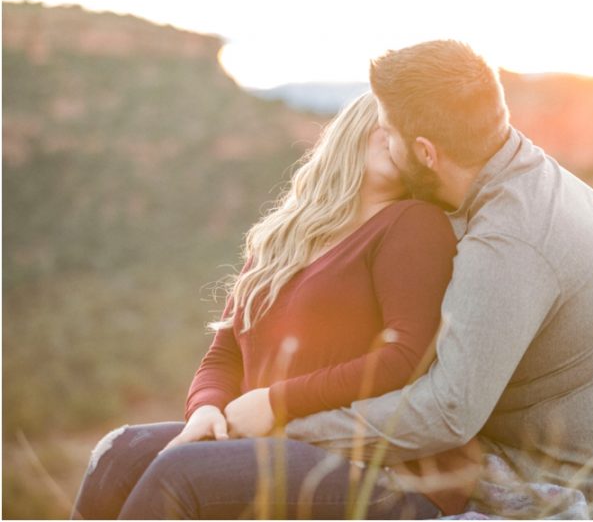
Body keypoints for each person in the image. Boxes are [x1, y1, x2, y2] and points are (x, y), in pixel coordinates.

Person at [283, 40, 593, 519]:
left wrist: (288, 430)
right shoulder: (526, 174)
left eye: (387, 131)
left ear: (425, 151)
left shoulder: (509, 239)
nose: (383, 141)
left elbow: (447, 415)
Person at [71, 92, 479, 519]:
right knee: (118, 453)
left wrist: (275, 402)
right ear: (355, 124)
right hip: (279, 446)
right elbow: (224, 351)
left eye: (417, 137)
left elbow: (407, 358)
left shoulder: (413, 223)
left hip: (388, 474)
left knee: (181, 474)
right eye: (391, 122)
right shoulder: (286, 236)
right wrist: (205, 408)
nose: (400, 139)